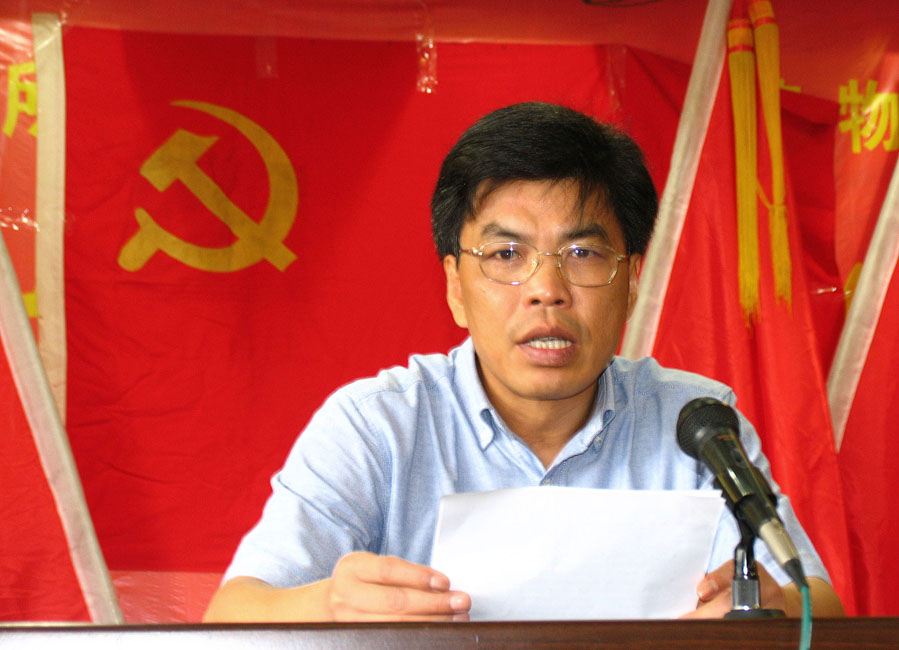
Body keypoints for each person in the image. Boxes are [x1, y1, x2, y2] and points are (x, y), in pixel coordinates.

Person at [204, 102, 843, 622]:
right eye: (506, 255)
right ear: (455, 287)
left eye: (583, 254)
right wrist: (328, 607)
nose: (546, 290)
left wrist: (772, 609)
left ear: (632, 283)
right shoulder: (377, 426)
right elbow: (232, 614)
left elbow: (819, 606)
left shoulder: (695, 424)